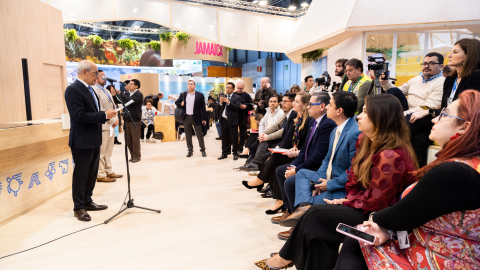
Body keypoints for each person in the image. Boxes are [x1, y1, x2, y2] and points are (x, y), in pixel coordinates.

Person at [256, 94, 418, 270]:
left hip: (377, 219)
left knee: (315, 213)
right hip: (362, 203)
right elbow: (353, 176)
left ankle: (285, 256)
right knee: (319, 234)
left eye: (365, 112)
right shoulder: (365, 141)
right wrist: (345, 197)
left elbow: (377, 202)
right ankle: (290, 254)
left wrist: (346, 200)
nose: (359, 116)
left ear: (380, 118)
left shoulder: (390, 155)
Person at [337, 90, 480, 270]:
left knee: (355, 238)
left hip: (438, 258)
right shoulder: (467, 166)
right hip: (428, 242)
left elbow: (400, 215)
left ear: (464, 127)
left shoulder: (456, 172)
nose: (434, 120)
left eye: (444, 115)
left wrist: (376, 220)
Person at [279, 91, 361, 226]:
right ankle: (304, 207)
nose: (327, 107)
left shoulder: (354, 133)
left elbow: (354, 172)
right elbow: (327, 159)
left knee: (313, 206)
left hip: (339, 185)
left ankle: (302, 215)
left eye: (330, 104)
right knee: (302, 173)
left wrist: (328, 184)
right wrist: (318, 182)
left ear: (339, 110)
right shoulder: (336, 130)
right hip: (327, 176)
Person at [407, 38, 480, 167]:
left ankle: (396, 159)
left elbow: (467, 111)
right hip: (445, 118)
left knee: (411, 124)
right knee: (418, 138)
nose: (449, 55)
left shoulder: (475, 78)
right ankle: (416, 171)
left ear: (470, 56)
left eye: (455, 52)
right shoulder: (450, 79)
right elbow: (446, 108)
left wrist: (428, 112)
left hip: (461, 123)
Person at [272, 92, 336, 238]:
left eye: (311, 105)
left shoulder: (327, 124)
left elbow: (318, 156)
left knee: (290, 181)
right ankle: (290, 210)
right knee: (282, 170)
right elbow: (306, 148)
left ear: (321, 106)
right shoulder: (314, 122)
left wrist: (298, 170)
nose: (307, 108)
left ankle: (297, 224)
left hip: (316, 168)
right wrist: (294, 166)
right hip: (309, 164)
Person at [242, 92, 313, 213]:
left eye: (295, 101)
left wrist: (290, 150)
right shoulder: (296, 116)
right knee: (271, 159)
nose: (284, 103)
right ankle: (278, 200)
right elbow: (281, 129)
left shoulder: (308, 120)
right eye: (293, 101)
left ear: (305, 105)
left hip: (298, 154)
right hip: (293, 150)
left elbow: (296, 140)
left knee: (274, 159)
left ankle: (262, 181)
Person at [64, 60, 117, 222]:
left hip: (94, 138)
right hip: (82, 140)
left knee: (91, 173)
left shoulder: (90, 89)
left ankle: (88, 201)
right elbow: (79, 116)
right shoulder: (73, 90)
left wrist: (105, 115)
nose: (97, 77)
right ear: (84, 72)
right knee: (81, 174)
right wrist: (103, 115)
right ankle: (78, 207)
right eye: (95, 73)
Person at [240, 93, 297, 172]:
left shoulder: (288, 113)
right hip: (272, 135)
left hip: (281, 139)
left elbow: (283, 131)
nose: (282, 104)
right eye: (271, 101)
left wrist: (267, 136)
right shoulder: (271, 112)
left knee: (263, 145)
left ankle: (256, 164)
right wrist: (263, 133)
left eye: (285, 101)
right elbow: (273, 125)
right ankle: (252, 163)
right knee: (253, 145)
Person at [381, 52, 445, 116]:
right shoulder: (415, 79)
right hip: (407, 110)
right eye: (425, 63)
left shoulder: (442, 83)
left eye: (432, 63)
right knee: (393, 91)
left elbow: (428, 107)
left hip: (422, 114)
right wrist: (385, 83)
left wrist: (402, 115)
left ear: (441, 66)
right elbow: (398, 91)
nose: (426, 66)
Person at [92, 70, 123, 183]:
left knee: (109, 150)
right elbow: (100, 108)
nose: (105, 77)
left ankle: (108, 170)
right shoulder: (93, 90)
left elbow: (113, 106)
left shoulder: (106, 90)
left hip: (111, 124)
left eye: (105, 75)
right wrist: (113, 120)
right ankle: (100, 174)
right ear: (96, 77)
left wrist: (116, 119)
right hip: (103, 124)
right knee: (101, 151)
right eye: (102, 76)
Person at [111, 79, 144, 163]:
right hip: (126, 119)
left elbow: (129, 101)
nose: (129, 85)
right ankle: (132, 155)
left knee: (135, 140)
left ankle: (137, 156)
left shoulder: (138, 94)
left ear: (137, 86)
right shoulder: (127, 93)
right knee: (128, 140)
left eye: (131, 84)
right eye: (129, 84)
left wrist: (119, 93)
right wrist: (115, 95)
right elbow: (121, 100)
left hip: (134, 119)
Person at [175, 80, 208, 157]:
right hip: (186, 117)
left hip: (197, 117)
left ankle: (203, 150)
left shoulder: (200, 95)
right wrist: (181, 104)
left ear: (195, 85)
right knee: (188, 135)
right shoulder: (183, 94)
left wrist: (204, 118)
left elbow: (203, 108)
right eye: (188, 84)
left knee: (199, 135)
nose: (190, 85)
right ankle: (190, 150)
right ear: (187, 86)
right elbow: (176, 102)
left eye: (191, 84)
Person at [218, 82, 242, 160]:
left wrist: (229, 102)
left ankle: (235, 153)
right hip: (223, 119)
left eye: (229, 88)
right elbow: (219, 108)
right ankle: (224, 153)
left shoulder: (237, 97)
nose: (227, 89)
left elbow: (237, 108)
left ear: (233, 89)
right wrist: (220, 103)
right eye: (227, 87)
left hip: (232, 120)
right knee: (224, 137)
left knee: (234, 137)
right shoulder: (223, 96)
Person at [235, 80, 254, 154]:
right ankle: (235, 148)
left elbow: (251, 106)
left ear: (243, 87)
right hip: (235, 116)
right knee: (234, 133)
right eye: (238, 88)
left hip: (243, 116)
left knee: (243, 133)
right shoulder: (234, 94)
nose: (239, 90)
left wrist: (245, 107)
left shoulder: (247, 95)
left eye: (241, 88)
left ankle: (240, 148)